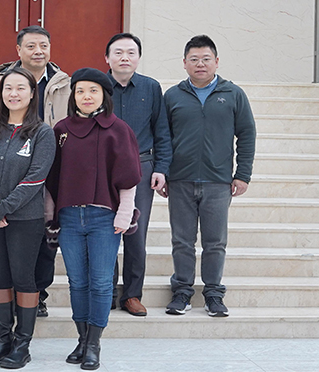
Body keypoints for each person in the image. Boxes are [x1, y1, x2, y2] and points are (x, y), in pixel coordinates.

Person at [45, 68, 142, 371]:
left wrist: (125, 212)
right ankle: (82, 338)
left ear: (104, 95)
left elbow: (128, 176)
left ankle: (94, 343)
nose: (86, 96)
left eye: (93, 91)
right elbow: (52, 178)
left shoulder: (119, 129)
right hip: (70, 217)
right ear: (73, 96)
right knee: (77, 282)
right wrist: (50, 216)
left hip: (104, 217)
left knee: (100, 283)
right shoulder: (61, 129)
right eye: (80, 91)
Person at [162, 34, 256, 318]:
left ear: (216, 61)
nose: (200, 64)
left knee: (215, 242)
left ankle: (213, 294)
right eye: (194, 59)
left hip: (218, 181)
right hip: (180, 180)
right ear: (184, 63)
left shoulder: (233, 94)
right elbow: (162, 138)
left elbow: (247, 135)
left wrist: (242, 175)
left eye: (206, 59)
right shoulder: (173, 96)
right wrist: (163, 172)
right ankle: (182, 292)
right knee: (182, 240)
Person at [0, 25, 70, 318]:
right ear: (18, 50)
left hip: (50, 169)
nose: (38, 51)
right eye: (30, 46)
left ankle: (37, 297)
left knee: (44, 239)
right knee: (6, 266)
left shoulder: (63, 83)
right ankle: (7, 322)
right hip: (7, 169)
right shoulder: (0, 84)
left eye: (43, 45)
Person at [0, 67, 55, 369]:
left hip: (25, 220)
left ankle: (22, 344)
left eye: (20, 88)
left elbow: (36, 178)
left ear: (32, 93)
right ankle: (3, 340)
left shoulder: (42, 133)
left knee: (23, 279)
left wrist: (2, 209)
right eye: (8, 88)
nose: (13, 93)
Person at [104, 33, 172, 317]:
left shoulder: (151, 87)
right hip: (103, 168)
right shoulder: (97, 86)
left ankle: (132, 295)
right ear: (107, 58)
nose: (124, 58)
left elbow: (162, 130)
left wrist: (161, 168)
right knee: (105, 231)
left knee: (135, 233)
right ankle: (106, 291)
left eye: (131, 52)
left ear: (139, 57)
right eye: (118, 52)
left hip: (141, 167)